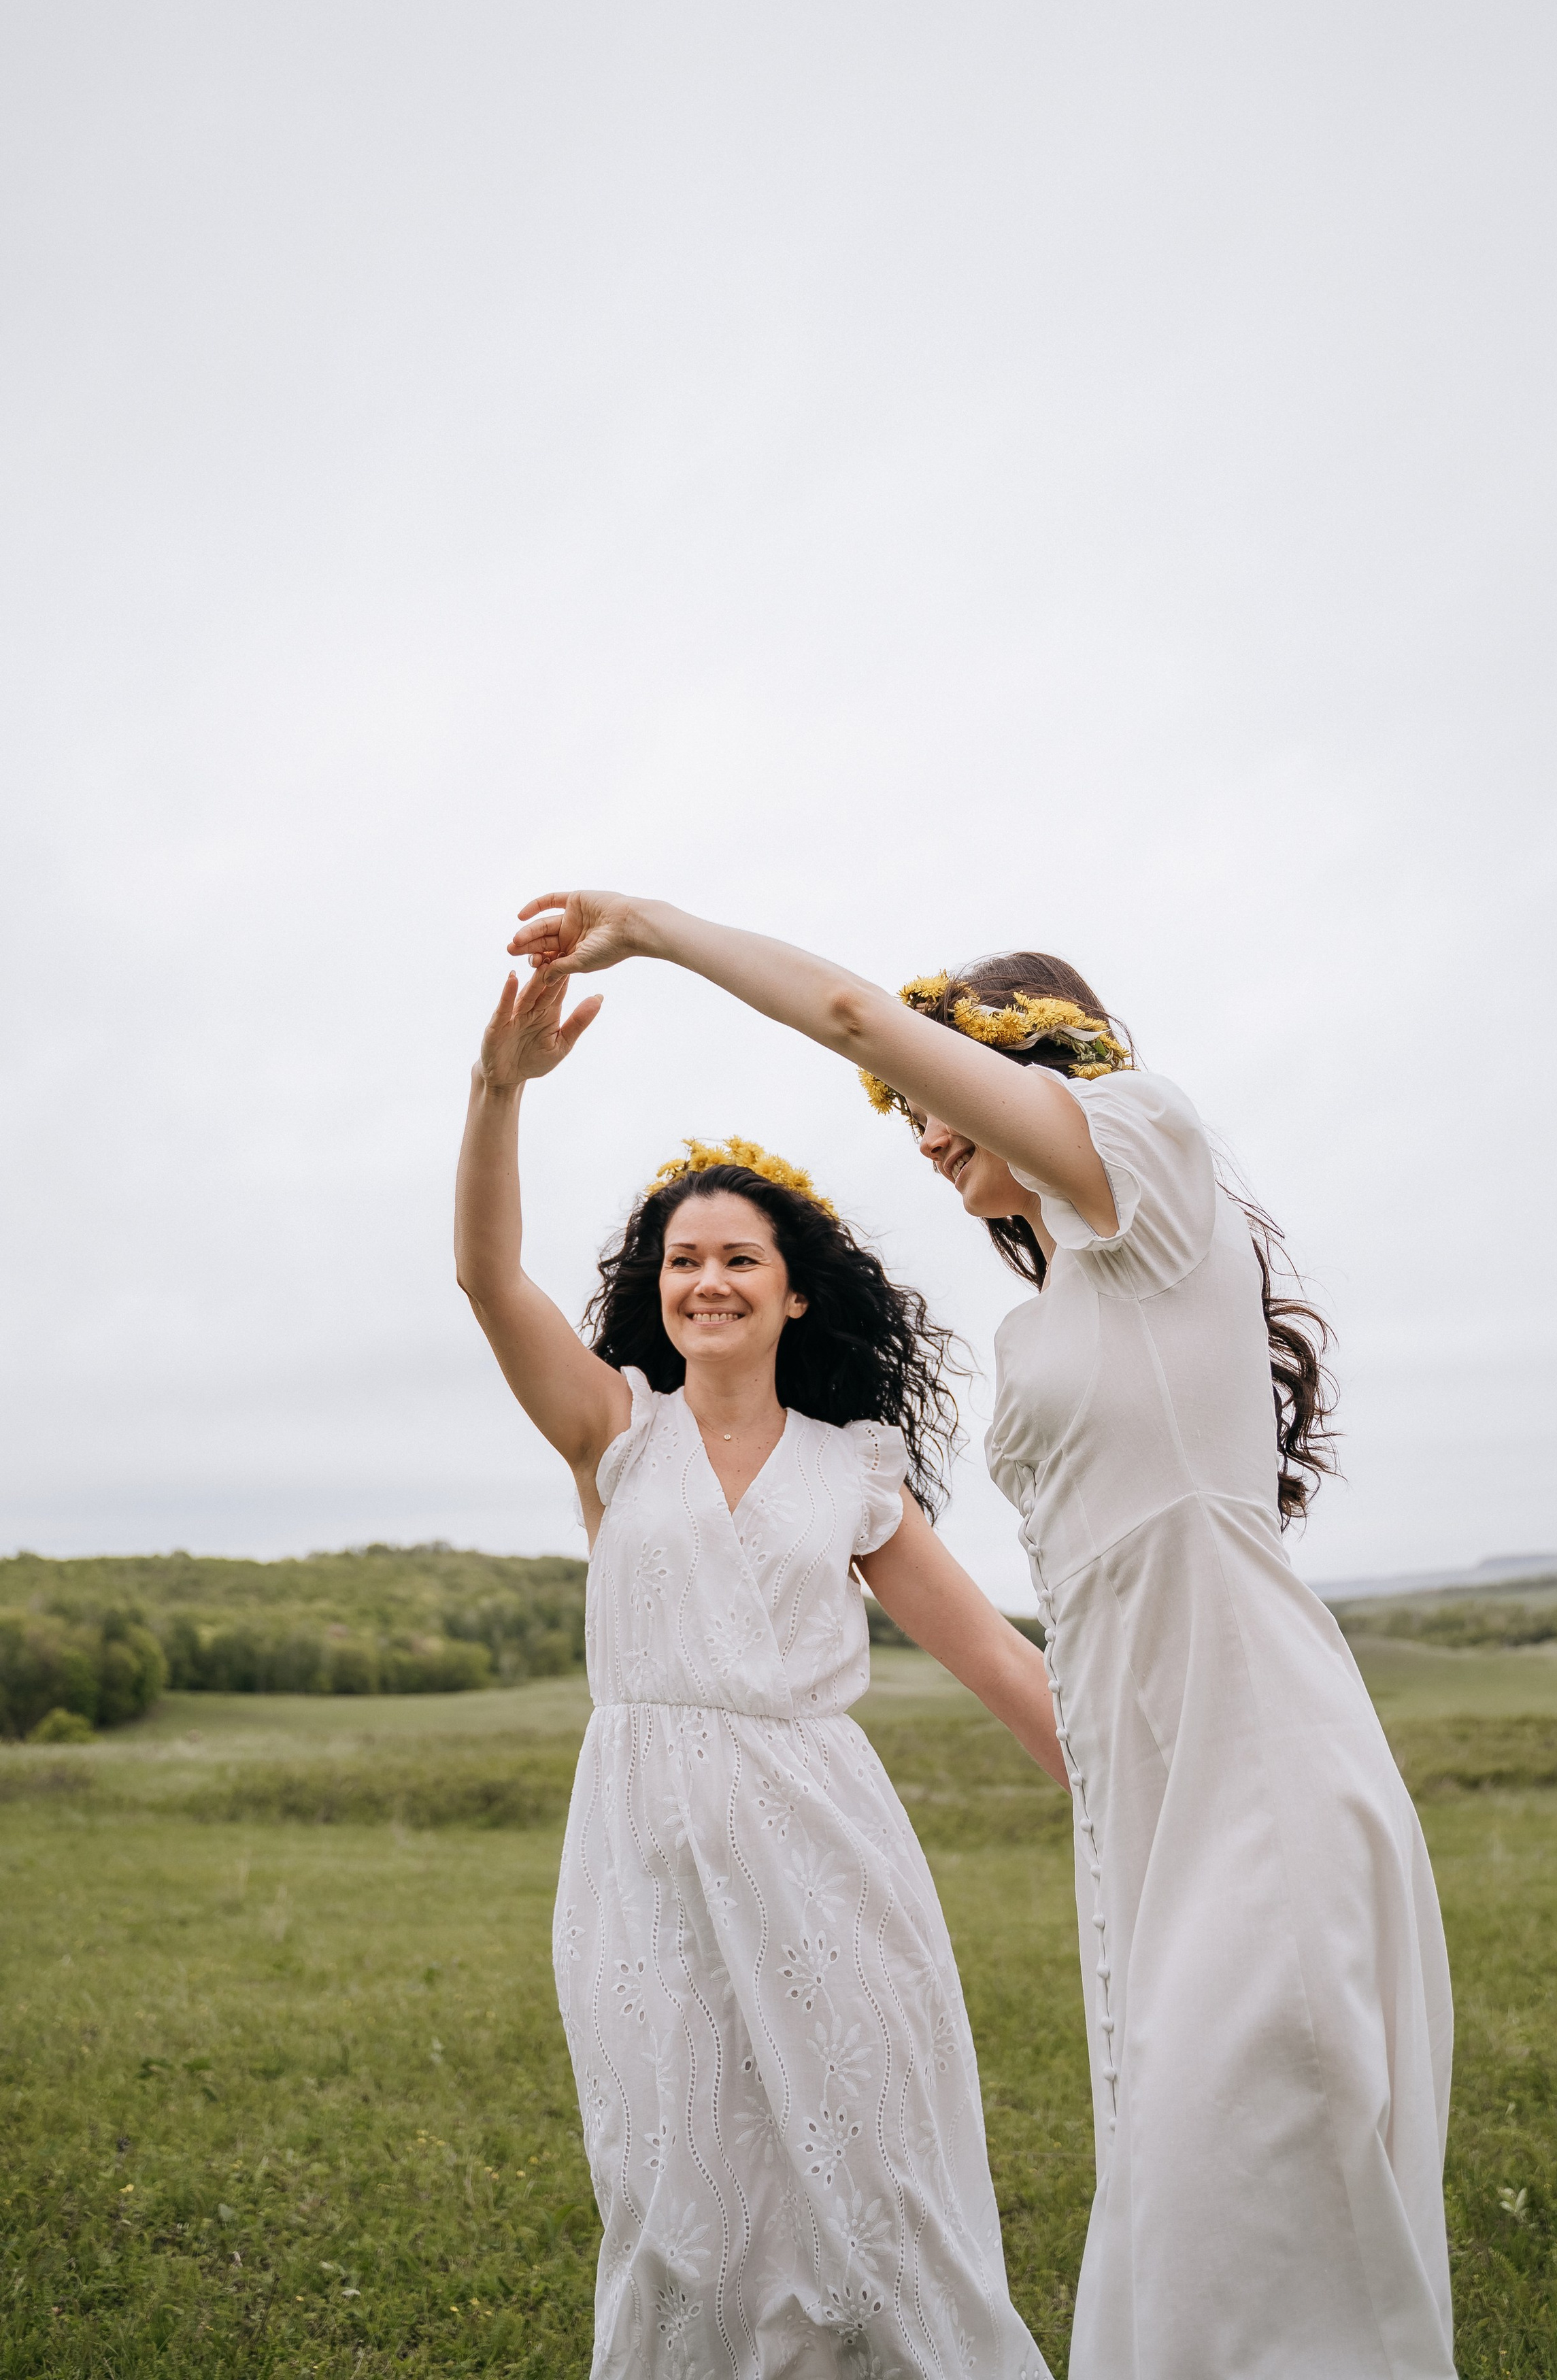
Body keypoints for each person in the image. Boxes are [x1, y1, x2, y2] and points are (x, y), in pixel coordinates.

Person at [506, 897, 1459, 2380]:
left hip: (1242, 1735)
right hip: (1136, 1752)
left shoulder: (1148, 1147)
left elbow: (846, 1016)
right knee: (1174, 2170)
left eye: (935, 1100)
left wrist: (652, 929)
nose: (925, 1137)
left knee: (1252, 2138)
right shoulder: (1057, 1305)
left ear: (1028, 1067)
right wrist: (1080, 1761)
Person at [454, 958, 1059, 2380]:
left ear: (793, 1297)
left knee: (873, 2159)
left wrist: (1132, 1787)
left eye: (738, 1258)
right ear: (653, 1293)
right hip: (642, 1841)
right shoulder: (613, 1431)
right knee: (680, 2191)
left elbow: (988, 1653)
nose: (708, 1278)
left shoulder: (852, 1468)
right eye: (682, 1258)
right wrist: (498, 1090)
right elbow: (485, 1276)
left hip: (823, 1835)